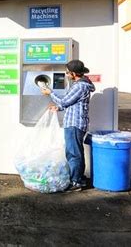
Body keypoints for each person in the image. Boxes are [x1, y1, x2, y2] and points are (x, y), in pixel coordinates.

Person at [41, 59, 95, 192]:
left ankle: (76, 181)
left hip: (74, 124)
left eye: (67, 72)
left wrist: (50, 93)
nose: (66, 75)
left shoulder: (79, 86)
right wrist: (58, 108)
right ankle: (78, 178)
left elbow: (65, 101)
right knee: (75, 151)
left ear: (74, 73)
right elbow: (71, 103)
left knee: (73, 153)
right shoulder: (81, 84)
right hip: (75, 122)